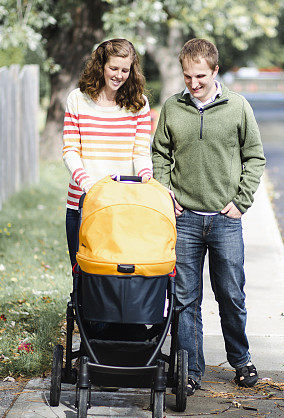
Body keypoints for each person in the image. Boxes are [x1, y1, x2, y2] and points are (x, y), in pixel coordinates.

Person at [151, 38, 265, 396]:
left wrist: (241, 200)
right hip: (184, 221)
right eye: (187, 76)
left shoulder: (238, 107)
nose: (194, 83)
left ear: (216, 71)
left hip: (225, 220)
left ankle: (241, 360)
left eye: (200, 76)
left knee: (230, 294)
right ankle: (189, 370)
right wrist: (167, 192)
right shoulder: (172, 108)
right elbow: (159, 154)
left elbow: (255, 156)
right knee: (185, 300)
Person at [62, 38, 153, 267]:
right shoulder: (78, 99)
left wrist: (146, 180)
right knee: (83, 273)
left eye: (125, 70)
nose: (119, 75)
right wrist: (89, 186)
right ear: (101, 65)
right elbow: (70, 150)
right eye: (113, 68)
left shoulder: (139, 104)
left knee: (118, 274)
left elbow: (141, 152)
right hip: (83, 203)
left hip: (123, 204)